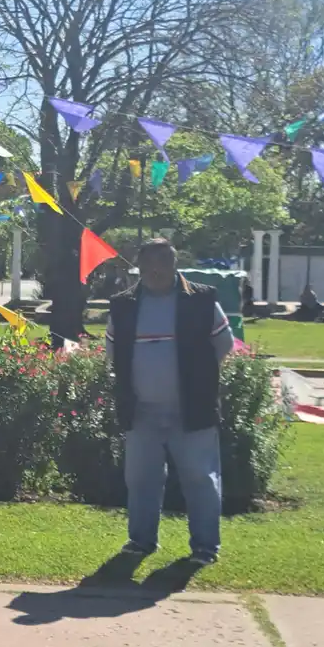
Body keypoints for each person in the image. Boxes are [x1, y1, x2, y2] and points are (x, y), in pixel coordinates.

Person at [105, 239, 233, 566]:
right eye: (148, 267)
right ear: (140, 269)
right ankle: (140, 541)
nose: (154, 272)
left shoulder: (202, 301)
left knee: (201, 479)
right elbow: (113, 352)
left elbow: (224, 344)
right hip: (141, 411)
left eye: (161, 265)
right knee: (141, 479)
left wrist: (198, 381)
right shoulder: (123, 306)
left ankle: (205, 548)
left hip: (191, 408)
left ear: (174, 265)